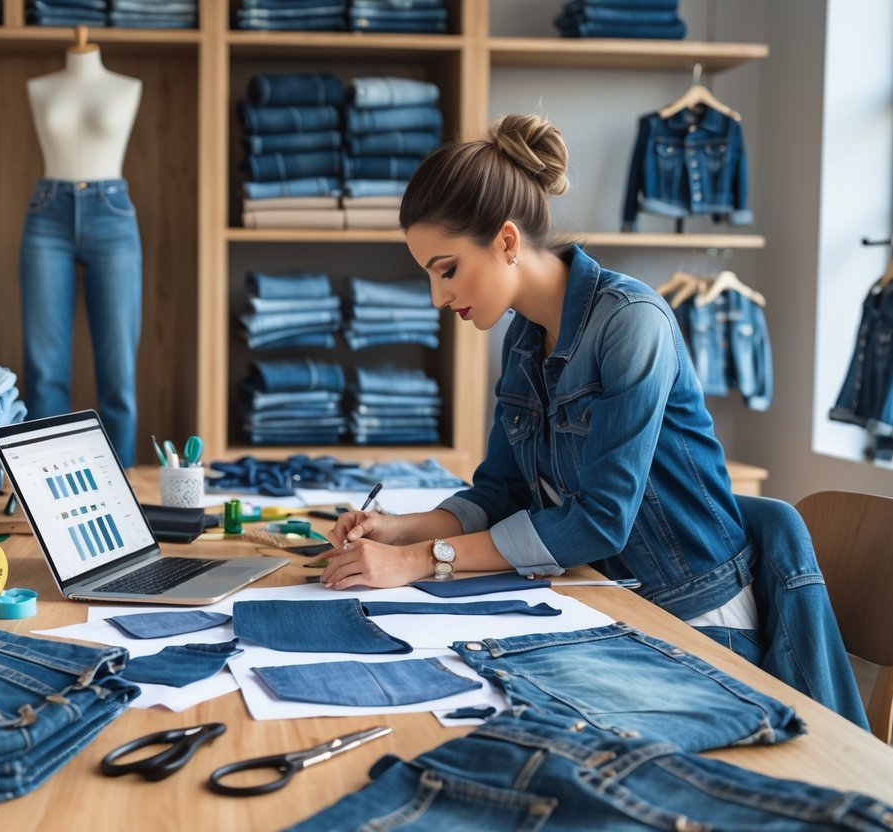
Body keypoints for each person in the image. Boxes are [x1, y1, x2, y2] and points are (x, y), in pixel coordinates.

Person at [322, 113, 762, 662]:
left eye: (448, 269)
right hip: (607, 596)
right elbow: (500, 494)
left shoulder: (632, 323)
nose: (437, 298)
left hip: (696, 616)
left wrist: (420, 560)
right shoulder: (525, 339)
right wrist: (399, 532)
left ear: (507, 240)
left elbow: (601, 522)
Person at [21, 26, 144, 465]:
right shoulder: (42, 87)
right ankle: (45, 481)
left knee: (118, 372)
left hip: (111, 215)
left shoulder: (127, 88)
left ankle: (121, 481)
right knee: (45, 371)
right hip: (47, 213)